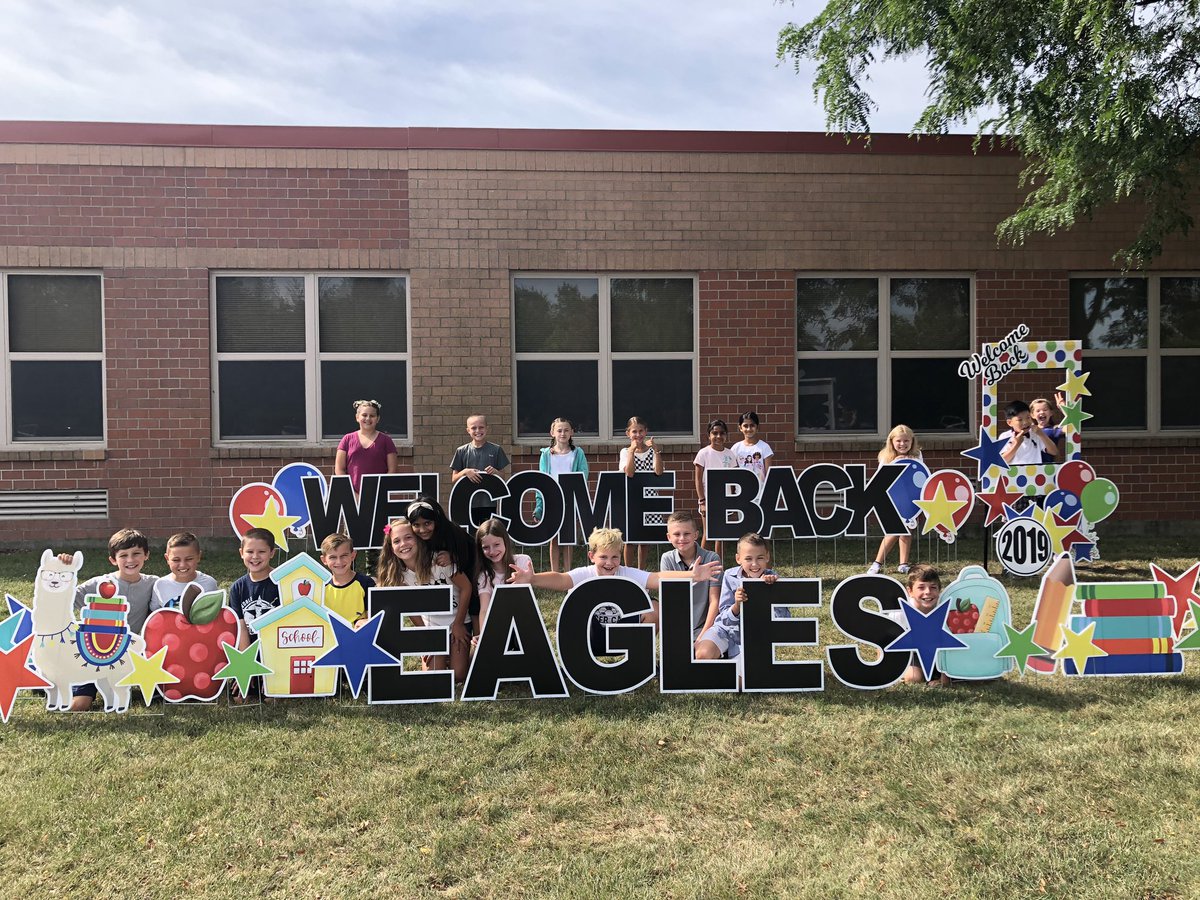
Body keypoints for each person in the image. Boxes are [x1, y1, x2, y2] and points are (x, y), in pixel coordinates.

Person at [509, 527, 722, 653]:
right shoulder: (586, 573)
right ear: (592, 556)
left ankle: (637, 656)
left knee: (655, 608)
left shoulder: (626, 572)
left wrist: (692, 575)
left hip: (621, 635)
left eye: (615, 557)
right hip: (589, 638)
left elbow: (657, 578)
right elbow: (562, 579)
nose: (610, 563)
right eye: (603, 557)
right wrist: (534, 578)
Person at [59, 527, 159, 711]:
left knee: (152, 696)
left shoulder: (154, 583)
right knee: (79, 705)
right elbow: (64, 598)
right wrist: (65, 571)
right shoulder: (99, 583)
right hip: (95, 653)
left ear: (146, 555)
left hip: (130, 652)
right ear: (113, 560)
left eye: (136, 553)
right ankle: (49, 684)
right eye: (123, 555)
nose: (130, 560)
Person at [377, 517, 472, 682]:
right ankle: (446, 655)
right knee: (433, 676)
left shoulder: (439, 561)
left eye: (408, 538)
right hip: (433, 628)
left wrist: (458, 624)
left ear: (418, 539)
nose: (403, 544)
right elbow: (409, 609)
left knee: (458, 675)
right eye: (397, 541)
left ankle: (470, 652)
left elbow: (466, 588)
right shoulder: (399, 576)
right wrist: (424, 637)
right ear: (391, 548)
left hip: (457, 622)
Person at [695, 533, 783, 661]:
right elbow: (724, 615)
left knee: (742, 680)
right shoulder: (730, 576)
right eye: (748, 559)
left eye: (760, 558)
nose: (754, 564)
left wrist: (768, 592)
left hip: (753, 636)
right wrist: (736, 605)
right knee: (703, 653)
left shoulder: (773, 579)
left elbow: (783, 619)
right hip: (725, 630)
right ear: (738, 559)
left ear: (767, 557)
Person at [659, 510, 722, 645]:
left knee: (702, 655)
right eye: (676, 534)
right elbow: (670, 601)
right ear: (669, 537)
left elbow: (714, 601)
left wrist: (704, 633)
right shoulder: (667, 559)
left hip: (705, 625)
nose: (682, 538)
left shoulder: (712, 558)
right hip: (679, 625)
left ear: (696, 535)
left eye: (687, 533)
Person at [867, 425, 923, 575]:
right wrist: (894, 465)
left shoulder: (917, 455)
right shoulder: (885, 456)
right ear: (892, 441)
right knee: (893, 530)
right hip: (892, 499)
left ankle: (903, 564)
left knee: (907, 530)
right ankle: (877, 563)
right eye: (899, 441)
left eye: (906, 441)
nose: (903, 444)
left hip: (910, 498)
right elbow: (880, 480)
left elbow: (920, 475)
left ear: (912, 441)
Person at [535, 417, 589, 572]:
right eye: (559, 430)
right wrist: (540, 506)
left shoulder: (577, 453)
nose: (563, 433)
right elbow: (542, 479)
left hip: (570, 499)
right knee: (554, 538)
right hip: (552, 499)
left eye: (566, 430)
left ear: (572, 432)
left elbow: (584, 474)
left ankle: (567, 572)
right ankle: (554, 572)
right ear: (552, 433)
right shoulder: (546, 454)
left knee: (568, 538)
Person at [474, 518, 532, 642]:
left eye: (496, 545)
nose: (492, 551)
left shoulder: (523, 561)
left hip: (523, 625)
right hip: (498, 627)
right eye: (486, 547)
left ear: (505, 541)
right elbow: (484, 609)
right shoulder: (484, 575)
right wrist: (484, 635)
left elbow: (527, 602)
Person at [620, 415, 664, 569]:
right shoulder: (625, 452)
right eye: (634, 432)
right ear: (628, 434)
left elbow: (658, 472)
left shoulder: (652, 451)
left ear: (646, 432)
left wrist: (656, 451)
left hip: (650, 498)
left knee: (645, 538)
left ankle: (641, 570)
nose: (637, 435)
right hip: (632, 499)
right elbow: (629, 473)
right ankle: (628, 570)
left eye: (640, 431)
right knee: (630, 539)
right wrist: (632, 452)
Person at [450, 414, 510, 520]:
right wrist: (465, 472)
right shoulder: (461, 451)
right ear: (468, 430)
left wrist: (495, 472)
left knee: (486, 533)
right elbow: (454, 479)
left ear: (487, 428)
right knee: (469, 535)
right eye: (473, 428)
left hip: (489, 502)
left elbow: (503, 477)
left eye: (481, 427)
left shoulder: (496, 450)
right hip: (467, 502)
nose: (478, 430)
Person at [693, 418, 737, 556]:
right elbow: (698, 479)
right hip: (708, 499)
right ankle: (699, 561)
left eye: (722, 433)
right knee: (708, 533)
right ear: (709, 435)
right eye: (715, 433)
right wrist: (702, 501)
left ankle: (719, 564)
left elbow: (734, 478)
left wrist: (734, 498)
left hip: (726, 499)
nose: (718, 436)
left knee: (721, 534)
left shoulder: (730, 454)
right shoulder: (703, 453)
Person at [335, 399, 398, 493]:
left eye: (372, 416)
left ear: (378, 418)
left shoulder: (386, 441)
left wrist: (380, 492)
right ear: (357, 417)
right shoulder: (347, 439)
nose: (368, 419)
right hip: (352, 498)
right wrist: (352, 494)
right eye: (364, 415)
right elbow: (339, 470)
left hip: (379, 496)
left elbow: (392, 470)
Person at [901, 565, 950, 686]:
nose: (927, 592)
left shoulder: (947, 609)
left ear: (939, 590)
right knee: (913, 678)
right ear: (910, 591)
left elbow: (952, 646)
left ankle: (940, 674)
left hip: (943, 653)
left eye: (933, 587)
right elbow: (883, 641)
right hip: (914, 653)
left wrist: (945, 678)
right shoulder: (901, 612)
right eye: (921, 587)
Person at [149, 532, 219, 612]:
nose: (182, 565)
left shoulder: (209, 583)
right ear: (167, 559)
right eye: (176, 560)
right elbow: (155, 615)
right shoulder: (160, 585)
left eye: (189, 559)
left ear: (199, 556)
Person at [320, 532, 374, 627]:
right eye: (333, 557)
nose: (339, 561)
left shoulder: (366, 583)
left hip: (359, 639)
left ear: (353, 555)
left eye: (344, 555)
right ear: (324, 560)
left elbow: (374, 617)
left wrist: (365, 621)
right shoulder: (320, 588)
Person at [999, 400, 1054, 465]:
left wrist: (1042, 434)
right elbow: (1001, 461)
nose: (1025, 422)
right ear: (1010, 422)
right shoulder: (1005, 436)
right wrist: (1017, 444)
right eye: (1020, 420)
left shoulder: (1035, 434)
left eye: (1028, 417)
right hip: (1014, 474)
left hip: (1036, 472)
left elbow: (1054, 452)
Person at [734, 411, 773, 484]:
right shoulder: (736, 448)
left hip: (760, 492)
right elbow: (732, 474)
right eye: (745, 426)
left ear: (757, 427)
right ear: (740, 428)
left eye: (752, 425)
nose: (749, 429)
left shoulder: (764, 447)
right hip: (740, 492)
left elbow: (769, 474)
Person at [1029, 395, 1066, 464]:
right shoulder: (1029, 430)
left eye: (1045, 410)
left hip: (1047, 468)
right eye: (1038, 411)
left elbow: (1072, 428)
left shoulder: (1054, 429)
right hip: (1030, 467)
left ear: (1051, 413)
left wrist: (1064, 408)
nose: (1042, 412)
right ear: (1032, 415)